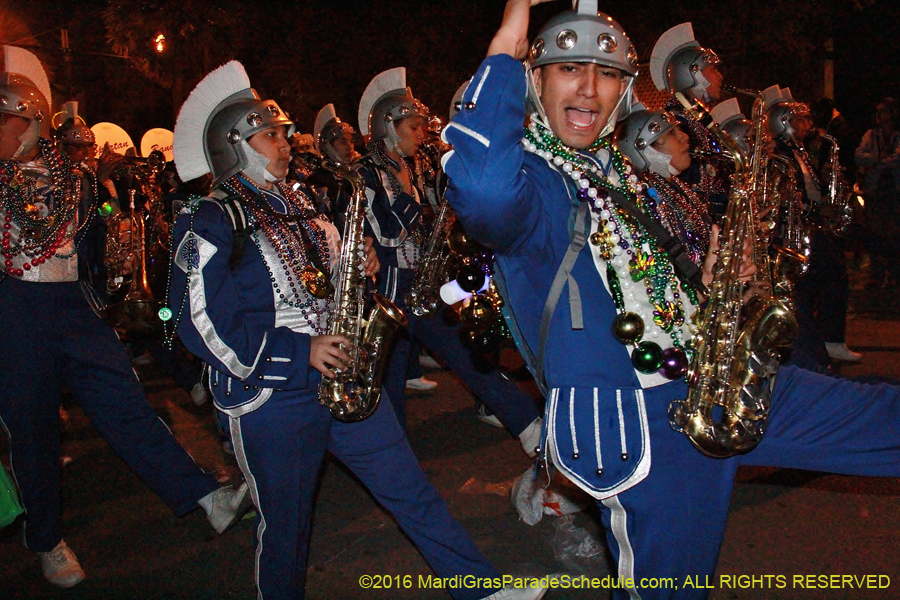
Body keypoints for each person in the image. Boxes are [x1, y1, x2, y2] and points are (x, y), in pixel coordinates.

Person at [443, 2, 900, 599]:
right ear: (535, 80)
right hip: (643, 424)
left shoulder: (612, 173)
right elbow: (481, 188)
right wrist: (508, 41)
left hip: (719, 379)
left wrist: (707, 290)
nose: (588, 88)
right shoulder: (533, 182)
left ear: (626, 88)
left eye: (606, 73)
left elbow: (639, 289)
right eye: (567, 68)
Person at [167, 60, 545, 600]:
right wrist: (301, 352)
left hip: (342, 375)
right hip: (271, 398)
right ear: (237, 145)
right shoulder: (209, 216)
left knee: (410, 489)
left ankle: (479, 588)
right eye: (271, 134)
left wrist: (358, 262)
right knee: (287, 531)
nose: (285, 142)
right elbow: (199, 322)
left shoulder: (299, 199)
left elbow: (320, 281)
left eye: (282, 133)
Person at [0, 46, 251, 590]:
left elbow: (97, 243)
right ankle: (46, 539)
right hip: (14, 309)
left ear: (33, 119)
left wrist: (117, 261)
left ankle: (203, 495)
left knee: (126, 405)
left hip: (73, 305)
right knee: (32, 429)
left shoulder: (79, 179)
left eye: (7, 118)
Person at [355, 67, 543, 454]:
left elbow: (436, 212)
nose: (422, 135)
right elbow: (386, 233)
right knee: (388, 373)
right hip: (387, 288)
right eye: (414, 127)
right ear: (389, 128)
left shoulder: (415, 164)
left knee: (460, 350)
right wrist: (411, 198)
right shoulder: (364, 173)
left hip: (420, 281)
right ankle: (389, 449)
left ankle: (525, 421)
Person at [766, 86, 860, 365]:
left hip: (809, 224)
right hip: (797, 229)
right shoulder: (778, 156)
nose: (808, 126)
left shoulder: (800, 151)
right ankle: (821, 344)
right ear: (783, 124)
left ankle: (818, 345)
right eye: (800, 121)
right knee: (828, 275)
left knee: (814, 284)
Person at [650, 22, 732, 218]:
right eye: (713, 69)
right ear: (694, 73)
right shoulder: (676, 121)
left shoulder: (699, 117)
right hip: (696, 219)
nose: (720, 76)